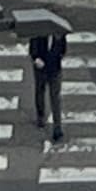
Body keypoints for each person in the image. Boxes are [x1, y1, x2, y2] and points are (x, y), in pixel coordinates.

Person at [28, 18, 68, 146]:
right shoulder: (38, 34)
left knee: (55, 98)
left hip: (55, 70)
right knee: (40, 91)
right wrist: (36, 59)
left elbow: (63, 50)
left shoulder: (60, 36)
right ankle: (41, 116)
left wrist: (58, 59)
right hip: (41, 69)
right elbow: (33, 50)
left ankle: (57, 129)